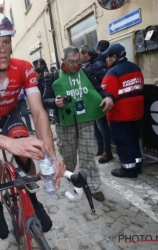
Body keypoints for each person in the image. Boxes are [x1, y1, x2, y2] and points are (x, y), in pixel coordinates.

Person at [0, 12, 65, 240]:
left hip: (10, 116)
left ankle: (33, 199)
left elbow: (37, 111)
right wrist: (7, 143)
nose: (2, 49)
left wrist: (51, 157)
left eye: (6, 42)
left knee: (28, 157)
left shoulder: (24, 68)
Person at [53, 46, 114, 202]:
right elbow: (44, 99)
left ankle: (93, 186)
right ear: (63, 61)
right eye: (71, 62)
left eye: (77, 61)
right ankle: (73, 177)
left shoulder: (85, 72)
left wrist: (108, 97)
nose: (75, 65)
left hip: (85, 120)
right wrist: (54, 102)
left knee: (88, 153)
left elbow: (97, 89)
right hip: (66, 124)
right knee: (69, 156)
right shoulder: (53, 76)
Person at [101, 44, 144, 178]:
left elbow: (109, 94)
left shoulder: (113, 73)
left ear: (115, 56)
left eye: (108, 57)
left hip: (120, 115)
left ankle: (128, 169)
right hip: (136, 112)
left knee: (123, 142)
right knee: (134, 140)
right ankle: (137, 166)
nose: (106, 60)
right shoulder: (135, 68)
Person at [79, 44, 113, 163]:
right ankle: (100, 147)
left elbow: (103, 83)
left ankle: (107, 152)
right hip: (92, 101)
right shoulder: (90, 64)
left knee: (102, 127)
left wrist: (103, 96)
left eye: (80, 54)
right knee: (96, 127)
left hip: (99, 100)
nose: (79, 56)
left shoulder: (97, 64)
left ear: (86, 54)